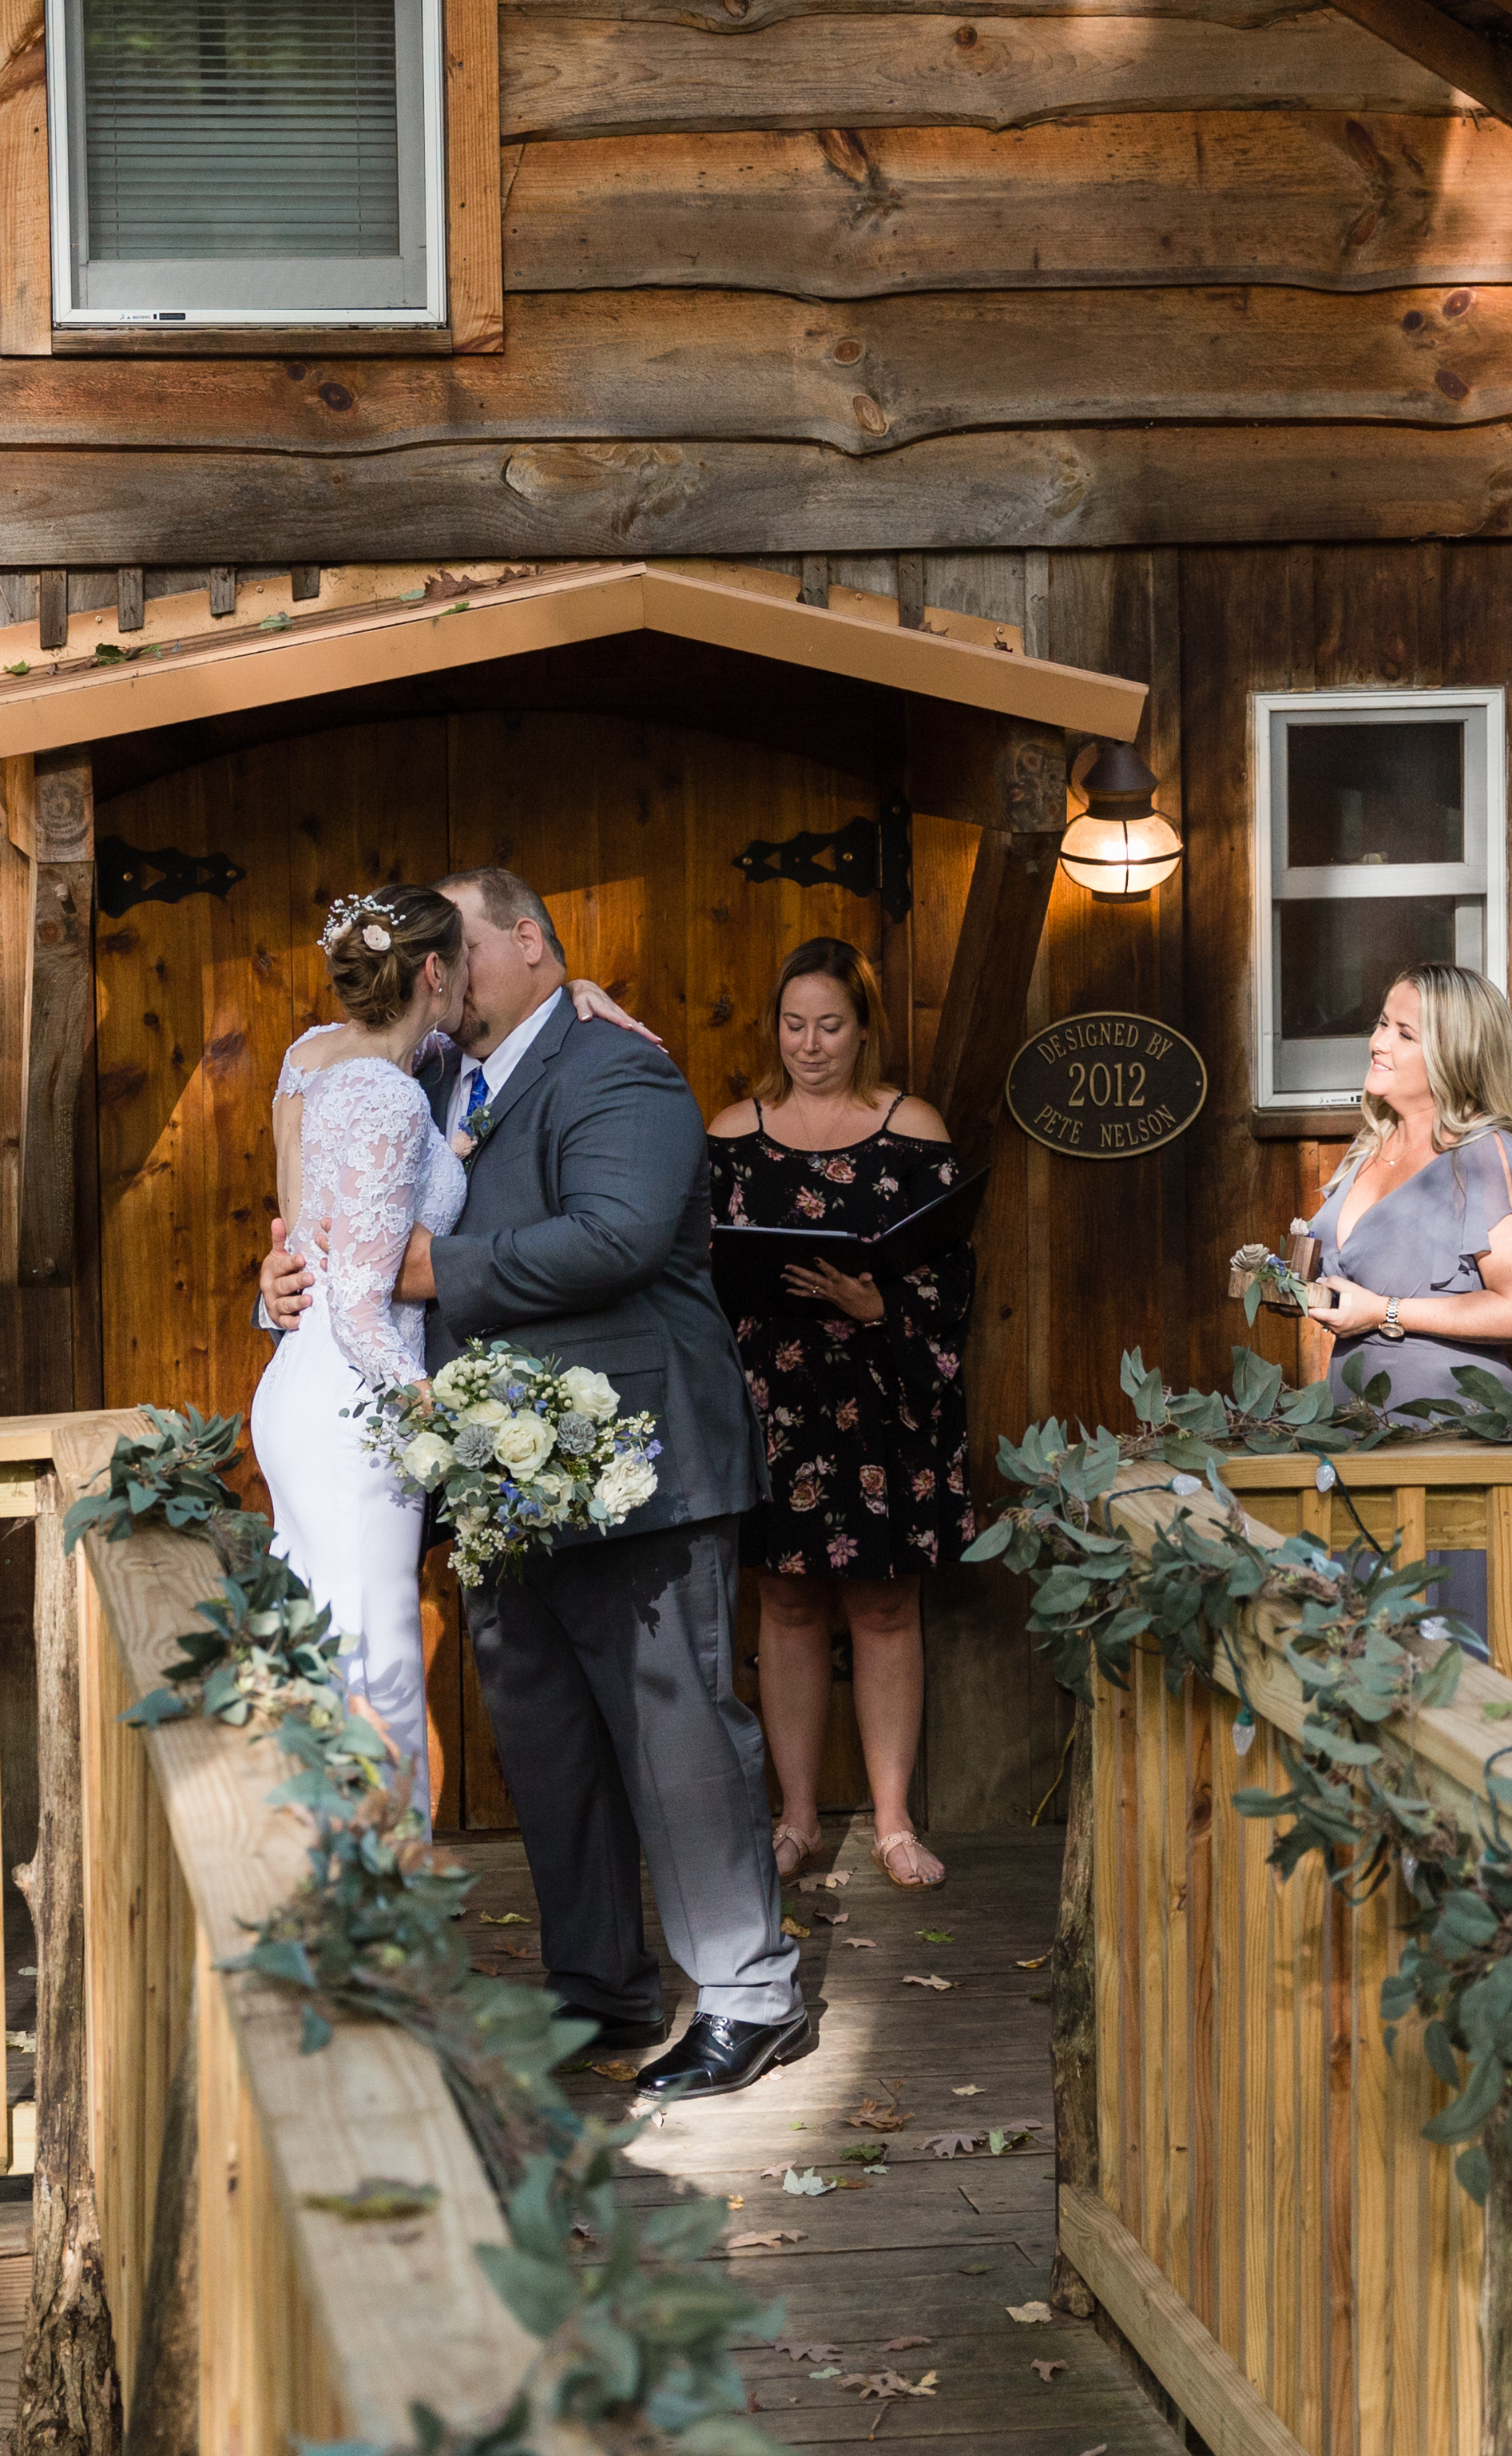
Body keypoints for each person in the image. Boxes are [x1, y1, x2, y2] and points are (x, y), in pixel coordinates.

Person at [264, 869, 808, 2104]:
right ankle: (599, 1983)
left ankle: (748, 1992)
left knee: (677, 1735)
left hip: (636, 1459)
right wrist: (292, 1269)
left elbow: (618, 1232)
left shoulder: (617, 1069)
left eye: (455, 944)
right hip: (500, 1472)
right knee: (547, 1739)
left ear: (526, 943)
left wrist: (424, 1270)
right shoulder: (438, 1077)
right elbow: (332, 1146)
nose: (436, 969)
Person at [706, 939, 970, 1891]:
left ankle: (895, 1823)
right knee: (783, 1601)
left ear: (863, 1029)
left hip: (885, 1402)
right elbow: (698, 1278)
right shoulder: (733, 1133)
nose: (810, 1044)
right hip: (774, 1402)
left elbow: (953, 1281)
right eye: (793, 1024)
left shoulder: (915, 1130)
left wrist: (879, 1310)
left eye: (830, 1025)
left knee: (885, 1605)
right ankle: (799, 1819)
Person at [249, 883, 470, 1793]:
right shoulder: (385, 1097)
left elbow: (305, 1239)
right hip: (357, 1400)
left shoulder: (328, 1070)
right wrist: (439, 1412)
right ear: (433, 972)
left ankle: (319, 1900)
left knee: (322, 1666)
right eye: (462, 967)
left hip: (308, 1387)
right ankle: (385, 1922)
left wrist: (583, 994)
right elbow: (360, 1303)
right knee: (375, 1672)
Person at [1296, 964, 1512, 1644]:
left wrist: (1384, 1312)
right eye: (1383, 1023)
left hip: (1450, 1438)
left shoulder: (1489, 1158)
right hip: (1359, 1435)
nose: (1378, 1042)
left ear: (1454, 1055)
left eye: (1404, 1032)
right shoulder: (1371, 1148)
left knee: (1450, 1655)